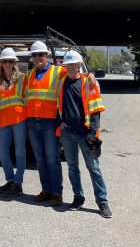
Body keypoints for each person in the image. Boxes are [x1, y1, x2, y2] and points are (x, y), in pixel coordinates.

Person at [25, 41, 96, 206]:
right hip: (32, 123)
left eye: (40, 55)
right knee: (40, 159)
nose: (37, 58)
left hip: (50, 123)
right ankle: (46, 190)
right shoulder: (28, 76)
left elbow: (76, 71)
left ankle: (57, 192)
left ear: (47, 56)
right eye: (34, 55)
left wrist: (90, 73)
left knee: (52, 159)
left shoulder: (58, 71)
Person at [58, 50, 112, 218]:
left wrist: (92, 133)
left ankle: (102, 201)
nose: (71, 67)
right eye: (68, 65)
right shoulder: (61, 82)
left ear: (80, 65)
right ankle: (78, 197)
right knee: (73, 167)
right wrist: (59, 122)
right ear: (64, 66)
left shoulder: (88, 83)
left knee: (93, 168)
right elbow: (56, 105)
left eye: (74, 64)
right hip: (67, 134)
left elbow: (95, 109)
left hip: (86, 134)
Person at [0, 48, 27, 197]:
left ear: (14, 63)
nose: (7, 64)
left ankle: (18, 183)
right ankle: (10, 180)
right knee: (2, 153)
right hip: (4, 119)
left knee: (20, 152)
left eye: (10, 61)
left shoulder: (22, 78)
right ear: (0, 63)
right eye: (4, 61)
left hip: (19, 118)